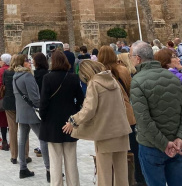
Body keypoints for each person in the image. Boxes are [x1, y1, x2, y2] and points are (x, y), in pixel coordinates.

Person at [63, 60, 131, 186]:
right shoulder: (113, 80)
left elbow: (89, 109)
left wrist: (73, 121)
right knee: (122, 174)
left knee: (104, 174)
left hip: (105, 133)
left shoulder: (94, 84)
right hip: (121, 130)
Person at [130, 41, 182, 185]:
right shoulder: (173, 77)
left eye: (131, 56)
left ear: (138, 58)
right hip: (175, 143)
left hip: (152, 146)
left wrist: (164, 144)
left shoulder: (137, 81)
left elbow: (143, 120)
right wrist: (179, 137)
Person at [98, 44, 145, 185]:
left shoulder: (98, 74)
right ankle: (138, 179)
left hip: (108, 118)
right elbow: (131, 91)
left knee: (114, 154)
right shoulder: (123, 70)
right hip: (127, 115)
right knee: (134, 149)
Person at [39, 50, 83, 186]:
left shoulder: (47, 78)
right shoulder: (73, 78)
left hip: (52, 123)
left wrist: (43, 117)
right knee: (71, 160)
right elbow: (81, 100)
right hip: (69, 122)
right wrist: (74, 114)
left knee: (55, 161)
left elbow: (44, 102)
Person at [13, 53, 50, 180]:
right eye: (27, 60)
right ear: (22, 63)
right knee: (43, 139)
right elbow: (34, 97)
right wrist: (42, 108)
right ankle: (49, 169)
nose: (30, 62)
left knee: (22, 140)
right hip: (31, 113)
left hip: (21, 112)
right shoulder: (27, 76)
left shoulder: (15, 76)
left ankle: (23, 168)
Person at [3, 55, 31, 165]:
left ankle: (13, 156)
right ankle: (25, 155)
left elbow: (4, 85)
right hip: (21, 103)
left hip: (9, 103)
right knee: (24, 129)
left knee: (12, 130)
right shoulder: (25, 73)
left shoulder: (6, 72)